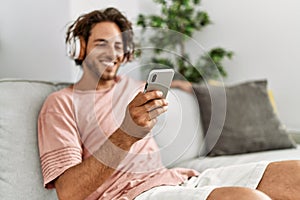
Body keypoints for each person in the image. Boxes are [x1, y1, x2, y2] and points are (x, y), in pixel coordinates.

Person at [38, 7, 300, 200]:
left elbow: (176, 85)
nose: (113, 52)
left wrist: (192, 88)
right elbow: (69, 192)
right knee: (248, 198)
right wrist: (127, 133)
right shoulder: (61, 104)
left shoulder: (135, 88)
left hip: (179, 179)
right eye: (101, 43)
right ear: (81, 47)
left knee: (296, 174)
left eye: (119, 45)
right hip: (131, 195)